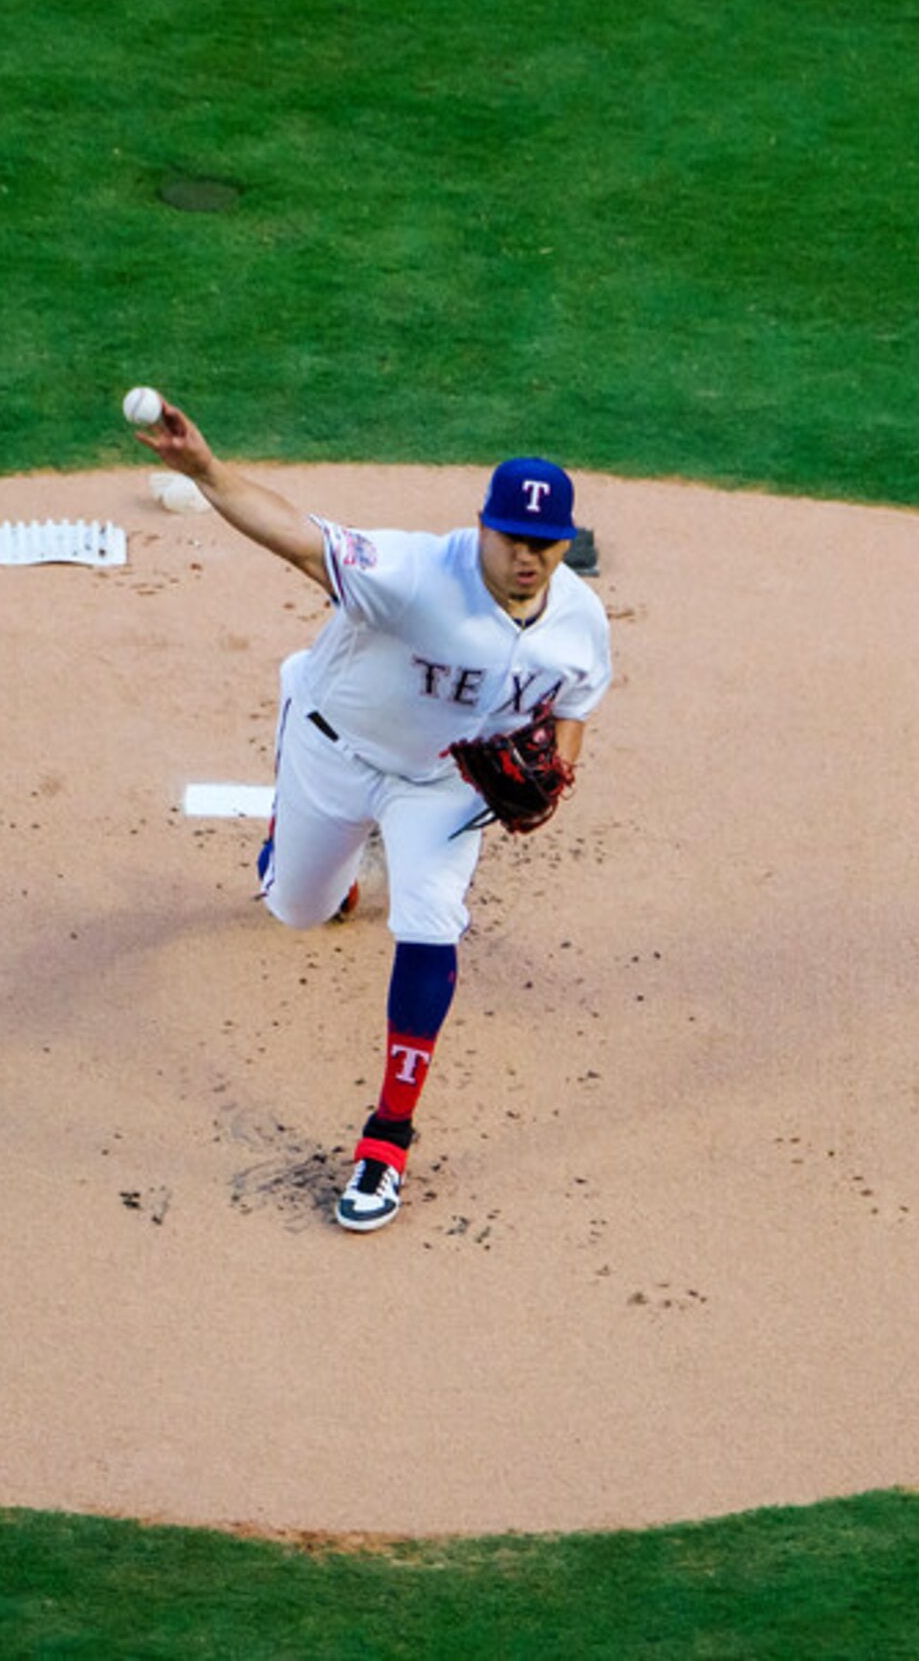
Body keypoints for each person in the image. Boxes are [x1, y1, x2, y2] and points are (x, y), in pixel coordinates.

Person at [133, 397, 614, 1233]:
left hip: (445, 788)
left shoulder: (580, 618)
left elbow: (575, 699)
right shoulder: (414, 574)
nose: (527, 557)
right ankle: (300, 839)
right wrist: (207, 471)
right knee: (299, 909)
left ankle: (387, 1138)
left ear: (566, 543)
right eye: (511, 538)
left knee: (433, 922)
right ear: (483, 529)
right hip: (337, 749)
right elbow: (298, 537)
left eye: (543, 543)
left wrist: (558, 769)